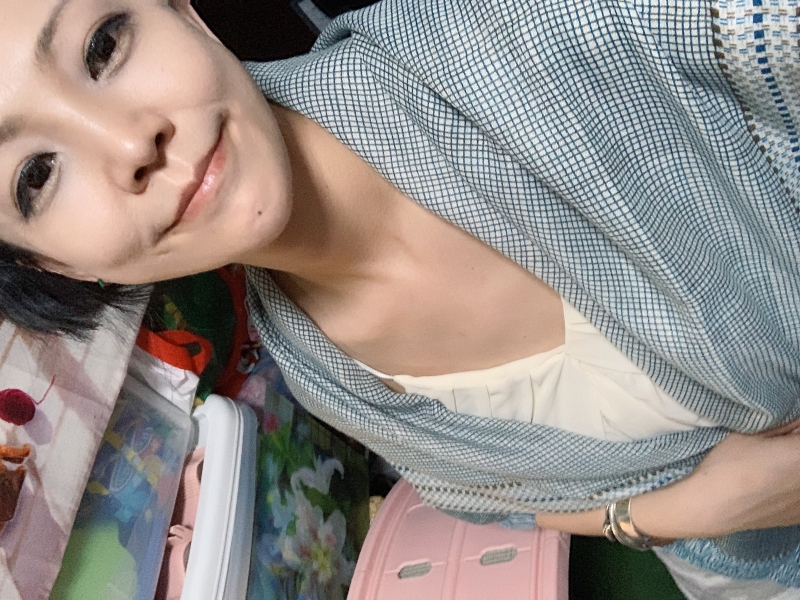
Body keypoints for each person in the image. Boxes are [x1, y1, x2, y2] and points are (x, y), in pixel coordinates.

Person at [0, 0, 799, 596]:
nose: (128, 141)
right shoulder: (319, 370)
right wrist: (688, 511)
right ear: (59, 267)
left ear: (184, 13)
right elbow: (497, 493)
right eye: (36, 175)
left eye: (103, 45)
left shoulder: (535, 37)